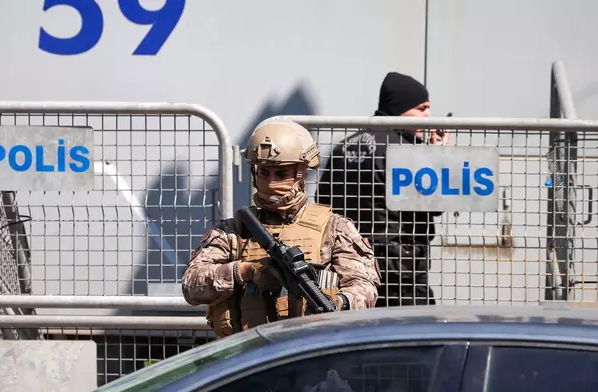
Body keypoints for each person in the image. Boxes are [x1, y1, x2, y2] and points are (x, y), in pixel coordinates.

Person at [182, 120, 381, 337]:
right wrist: (244, 271)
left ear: (301, 173)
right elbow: (192, 286)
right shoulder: (233, 232)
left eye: (281, 173)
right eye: (264, 172)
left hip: (311, 346)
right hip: (246, 352)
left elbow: (364, 286)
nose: (271, 182)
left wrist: (340, 302)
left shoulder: (334, 228)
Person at [316, 71, 450, 307]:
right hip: (400, 270)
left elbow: (322, 199)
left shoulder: (343, 146)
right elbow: (434, 202)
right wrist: (435, 156)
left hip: (348, 266)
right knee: (412, 335)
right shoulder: (405, 150)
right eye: (422, 108)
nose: (428, 116)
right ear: (401, 107)